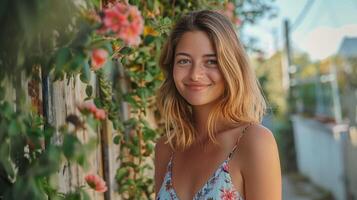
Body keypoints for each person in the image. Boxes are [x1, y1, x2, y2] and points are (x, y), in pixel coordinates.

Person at [154, 10, 281, 200]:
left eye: (211, 61)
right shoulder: (166, 148)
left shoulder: (254, 142)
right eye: (184, 61)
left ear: (231, 66)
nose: (195, 74)